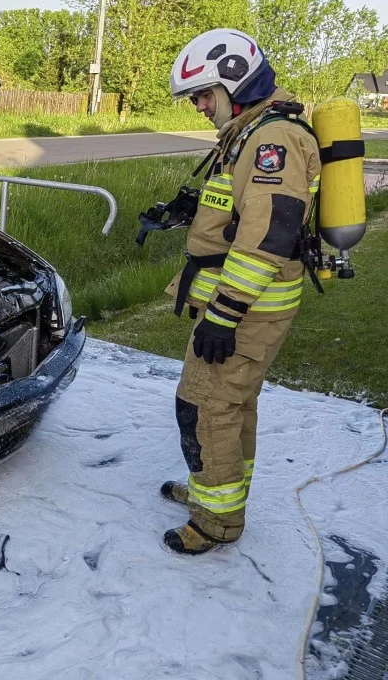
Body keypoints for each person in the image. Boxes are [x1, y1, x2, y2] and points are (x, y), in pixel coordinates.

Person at [160, 29, 321, 555]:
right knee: (230, 405)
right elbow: (240, 210)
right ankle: (218, 494)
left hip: (246, 310)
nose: (201, 107)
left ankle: (216, 522)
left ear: (236, 81)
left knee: (207, 408)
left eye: (205, 94)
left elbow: (269, 236)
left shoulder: (272, 140)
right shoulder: (250, 133)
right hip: (242, 306)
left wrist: (224, 316)